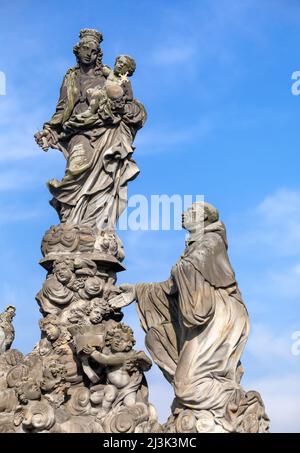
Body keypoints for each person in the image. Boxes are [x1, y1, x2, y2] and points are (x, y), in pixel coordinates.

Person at [110, 201, 252, 431]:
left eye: (192, 211)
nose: (184, 213)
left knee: (188, 385)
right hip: (208, 316)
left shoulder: (211, 241)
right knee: (173, 362)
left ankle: (237, 405)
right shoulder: (194, 247)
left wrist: (180, 268)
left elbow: (189, 269)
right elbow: (172, 286)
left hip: (220, 315)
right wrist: (137, 291)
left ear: (205, 219)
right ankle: (216, 410)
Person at [35, 29, 146, 230]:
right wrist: (49, 129)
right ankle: (70, 221)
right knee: (75, 170)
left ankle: (92, 227)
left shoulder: (109, 77)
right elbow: (62, 109)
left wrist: (120, 107)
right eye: (85, 49)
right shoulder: (71, 78)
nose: (88, 53)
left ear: (98, 54)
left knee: (103, 179)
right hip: (79, 132)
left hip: (104, 133)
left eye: (93, 51)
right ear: (77, 51)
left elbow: (133, 107)